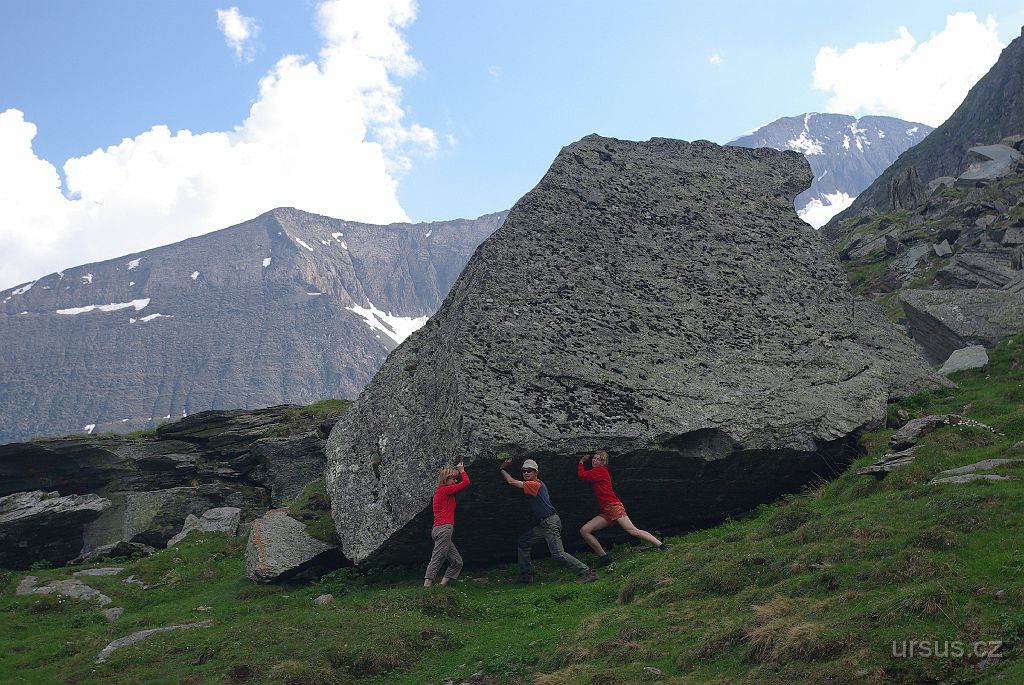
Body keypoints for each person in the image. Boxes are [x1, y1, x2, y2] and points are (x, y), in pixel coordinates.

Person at [499, 457, 597, 584]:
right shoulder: (539, 484)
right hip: (545, 524)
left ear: (536, 473)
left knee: (558, 554)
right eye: (524, 471)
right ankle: (525, 574)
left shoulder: (534, 485)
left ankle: (587, 572)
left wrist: (502, 469)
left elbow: (511, 482)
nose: (526, 473)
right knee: (524, 541)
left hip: (550, 523)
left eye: (529, 471)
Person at [578, 450, 668, 566]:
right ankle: (604, 557)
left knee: (632, 530)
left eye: (598, 459)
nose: (594, 460)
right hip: (606, 511)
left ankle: (662, 546)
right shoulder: (597, 471)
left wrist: (581, 462)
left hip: (613, 507)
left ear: (603, 462)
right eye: (594, 458)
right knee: (585, 530)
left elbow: (583, 475)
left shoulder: (600, 470)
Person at [423, 462, 470, 588]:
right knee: (438, 556)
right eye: (453, 479)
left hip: (438, 529)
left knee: (457, 561)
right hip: (444, 529)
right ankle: (427, 585)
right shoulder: (445, 490)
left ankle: (442, 586)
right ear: (446, 479)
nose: (455, 481)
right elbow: (466, 482)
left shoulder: (441, 491)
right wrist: (462, 470)